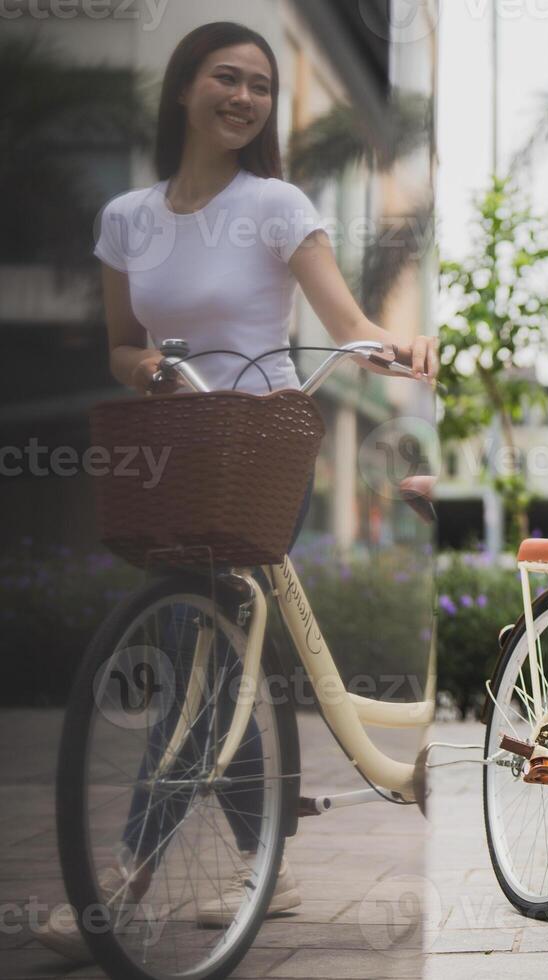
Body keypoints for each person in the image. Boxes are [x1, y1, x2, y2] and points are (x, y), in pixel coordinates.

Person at [37, 21, 438, 961]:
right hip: (177, 442)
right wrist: (150, 370)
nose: (245, 96)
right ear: (185, 89)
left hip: (260, 443)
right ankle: (272, 865)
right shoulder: (128, 219)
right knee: (217, 651)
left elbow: (346, 321)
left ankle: (125, 881)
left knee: (193, 655)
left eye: (261, 85)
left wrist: (404, 348)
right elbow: (122, 346)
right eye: (228, 77)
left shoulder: (278, 203)